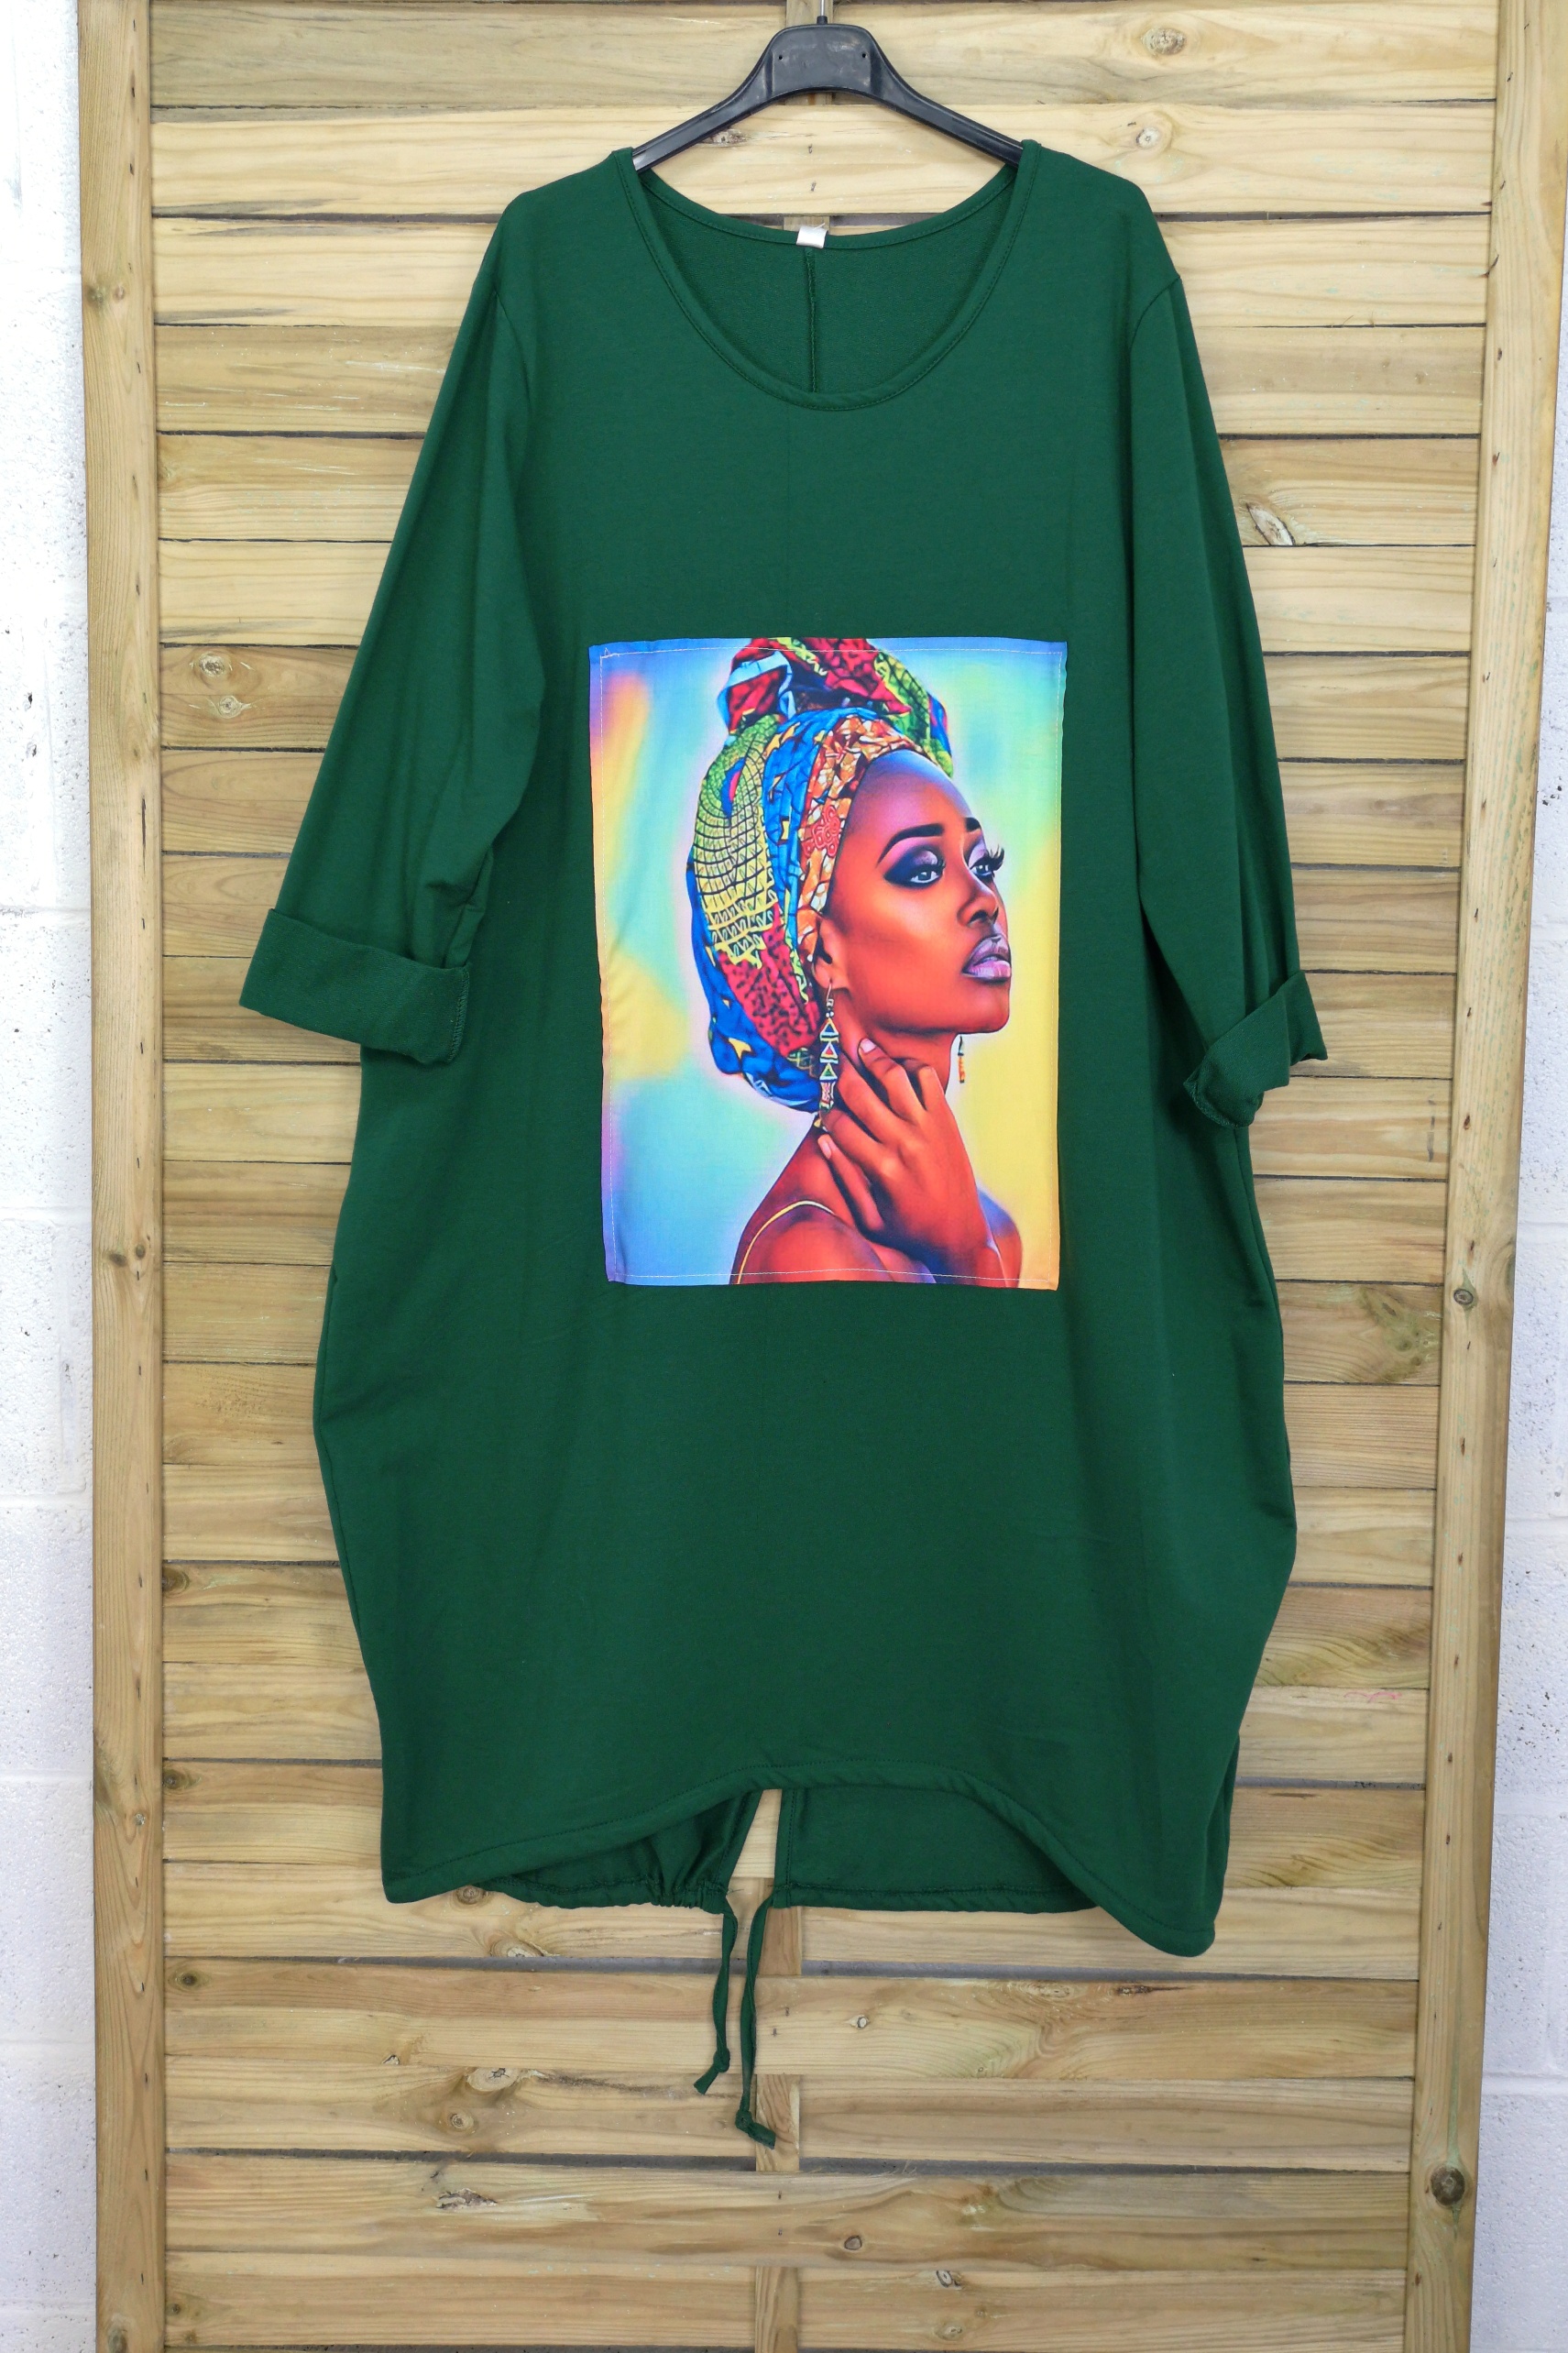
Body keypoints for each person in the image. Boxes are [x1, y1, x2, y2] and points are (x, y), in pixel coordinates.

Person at [686, 635, 1021, 1284]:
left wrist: (971, 1242)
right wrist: (967, 1256)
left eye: (983, 864)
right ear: (820, 950)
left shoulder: (988, 1224)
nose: (983, 900)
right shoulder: (808, 1253)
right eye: (921, 870)